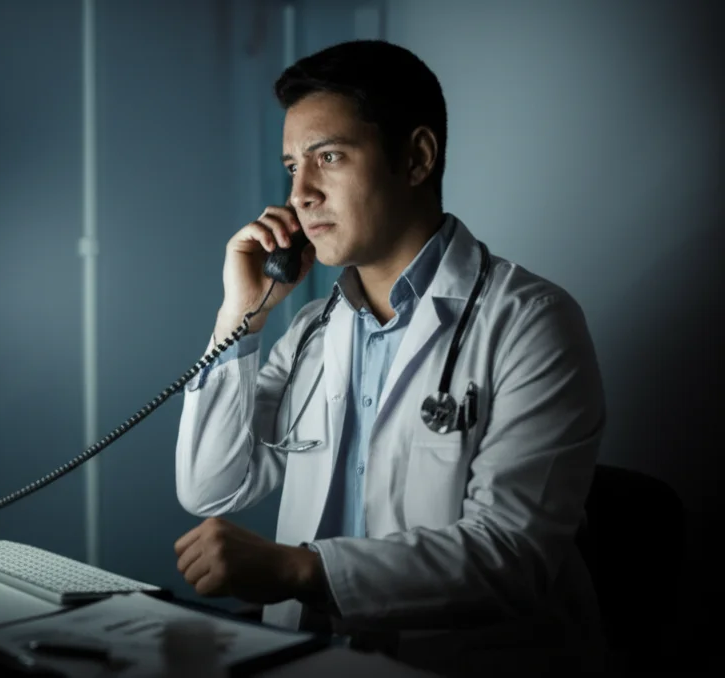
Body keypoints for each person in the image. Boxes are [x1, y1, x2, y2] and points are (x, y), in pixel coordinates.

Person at [172, 40, 607, 673]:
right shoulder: (310, 335)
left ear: (415, 157)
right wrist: (242, 318)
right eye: (292, 166)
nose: (301, 193)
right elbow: (213, 486)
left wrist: (300, 569)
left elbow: (511, 559)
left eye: (329, 157)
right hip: (309, 659)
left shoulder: (531, 322)